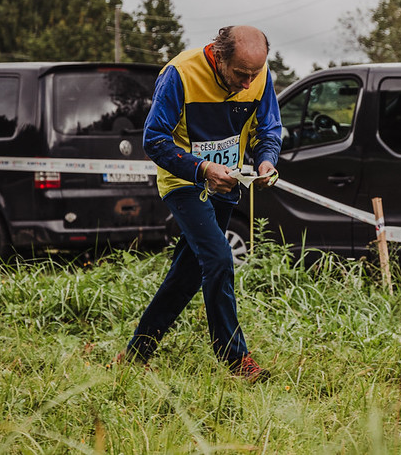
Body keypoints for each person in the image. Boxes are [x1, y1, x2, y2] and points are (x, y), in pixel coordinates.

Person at [118, 25, 282, 383]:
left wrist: (267, 158)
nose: (247, 83)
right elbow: (154, 139)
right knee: (219, 258)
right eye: (241, 74)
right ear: (219, 56)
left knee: (189, 272)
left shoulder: (258, 74)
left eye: (254, 75)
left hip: (228, 181)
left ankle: (135, 353)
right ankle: (235, 360)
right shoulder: (179, 74)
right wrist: (202, 168)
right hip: (184, 181)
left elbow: (267, 128)